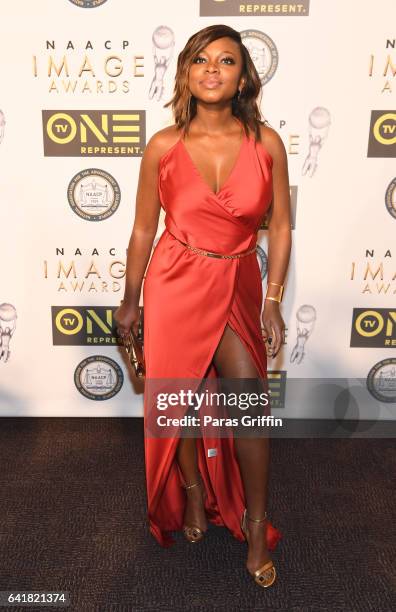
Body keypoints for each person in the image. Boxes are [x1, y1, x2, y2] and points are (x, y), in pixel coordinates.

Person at [114, 24, 292, 589]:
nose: (212, 69)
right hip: (174, 279)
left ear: (244, 76)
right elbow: (144, 229)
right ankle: (192, 494)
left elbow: (282, 227)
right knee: (179, 401)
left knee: (248, 405)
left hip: (238, 277)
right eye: (201, 60)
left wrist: (273, 297)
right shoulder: (164, 145)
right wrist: (129, 299)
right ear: (187, 72)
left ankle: (256, 522)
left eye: (227, 61)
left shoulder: (266, 143)